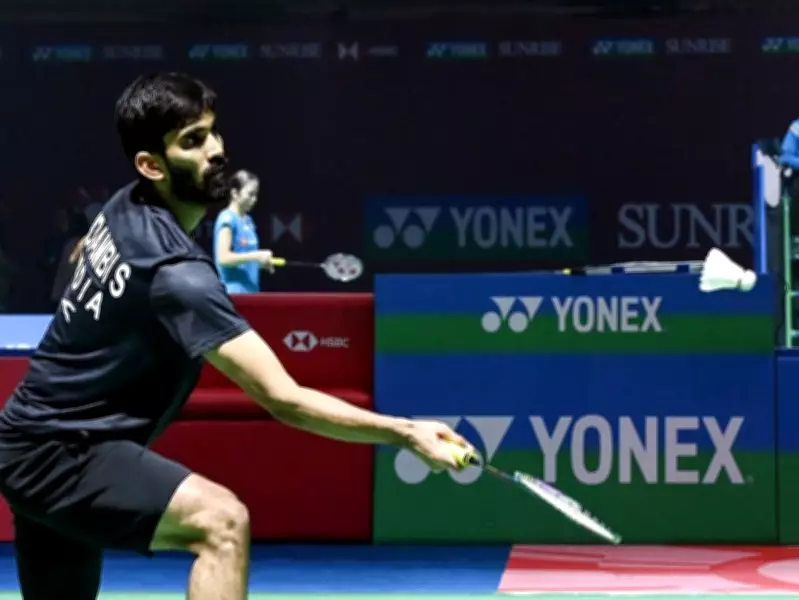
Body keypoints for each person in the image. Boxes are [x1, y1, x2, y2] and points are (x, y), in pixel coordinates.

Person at [0, 72, 473, 600]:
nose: (217, 150)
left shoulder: (123, 205)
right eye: (193, 141)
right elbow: (285, 399)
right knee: (222, 524)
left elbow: (86, 257)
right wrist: (406, 433)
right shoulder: (179, 277)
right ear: (151, 166)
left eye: (213, 132)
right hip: (63, 453)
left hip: (31, 443)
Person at [213, 169, 273, 293]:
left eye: (256, 195)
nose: (254, 199)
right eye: (250, 194)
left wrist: (260, 263)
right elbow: (223, 258)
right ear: (235, 193)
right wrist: (256, 256)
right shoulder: (227, 218)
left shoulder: (248, 221)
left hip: (252, 293)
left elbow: (244, 258)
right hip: (233, 295)